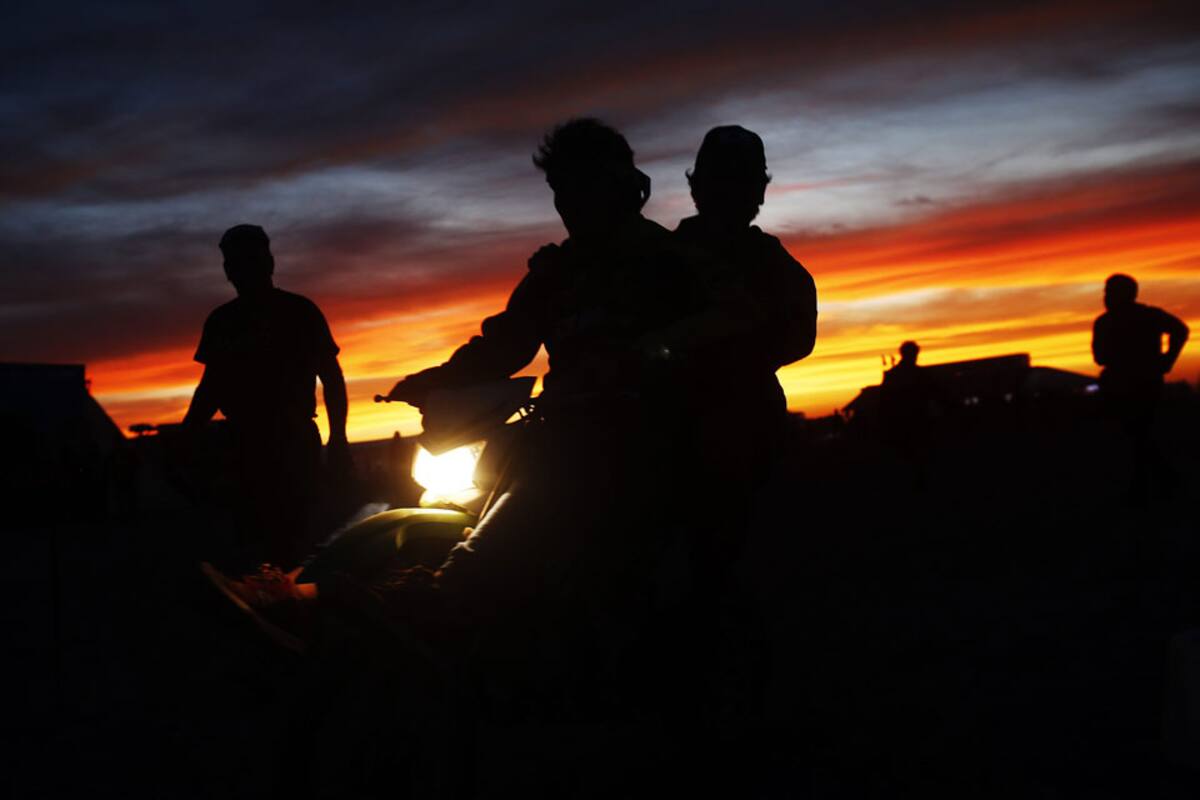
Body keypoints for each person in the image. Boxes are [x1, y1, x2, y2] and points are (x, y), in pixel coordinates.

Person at [183, 224, 350, 572]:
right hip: (244, 445)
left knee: (295, 542)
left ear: (269, 262)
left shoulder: (299, 312)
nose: (241, 269)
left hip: (292, 442)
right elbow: (210, 387)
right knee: (255, 544)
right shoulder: (222, 321)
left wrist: (338, 438)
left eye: (250, 259)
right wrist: (188, 435)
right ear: (227, 269)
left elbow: (331, 378)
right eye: (234, 261)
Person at [672, 125, 817, 489]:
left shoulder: (779, 267)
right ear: (697, 188)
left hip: (750, 437)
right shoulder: (658, 257)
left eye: (741, 181)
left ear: (759, 191)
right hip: (668, 438)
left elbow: (799, 338)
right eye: (721, 180)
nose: (730, 193)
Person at [1091, 273, 1189, 502]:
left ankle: (1148, 486)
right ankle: (1156, 482)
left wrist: (1168, 359)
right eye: (1106, 292)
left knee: (1136, 435)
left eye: (1109, 292)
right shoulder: (1146, 316)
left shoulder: (1108, 322)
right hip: (1135, 382)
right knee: (1137, 436)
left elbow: (1100, 357)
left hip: (1133, 384)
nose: (1105, 297)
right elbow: (1180, 330)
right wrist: (1167, 359)